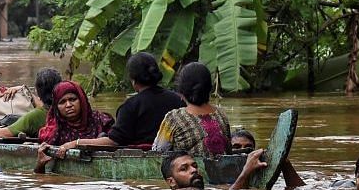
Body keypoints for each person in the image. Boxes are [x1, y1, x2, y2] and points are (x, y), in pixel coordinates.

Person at [52, 52, 184, 158]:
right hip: (176, 156)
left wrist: (76, 143)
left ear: (132, 80)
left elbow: (112, 142)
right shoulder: (177, 99)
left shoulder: (130, 106)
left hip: (141, 157)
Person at [152, 62, 231, 157]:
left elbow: (157, 152)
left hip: (189, 170)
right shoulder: (221, 114)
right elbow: (228, 150)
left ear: (181, 92)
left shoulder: (173, 118)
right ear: (209, 88)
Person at [162, 149, 306, 190]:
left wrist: (283, 162)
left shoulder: (212, 189)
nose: (193, 170)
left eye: (194, 165)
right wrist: (246, 171)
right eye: (184, 169)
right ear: (172, 182)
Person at [0, 68, 62, 139]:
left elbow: (3, 133)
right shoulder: (65, 109)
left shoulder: (34, 116)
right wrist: (25, 90)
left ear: (37, 91)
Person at [38, 81, 114, 146]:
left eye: (72, 99)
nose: (68, 105)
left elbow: (117, 140)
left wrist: (76, 143)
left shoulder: (101, 120)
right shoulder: (55, 131)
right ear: (56, 107)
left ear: (82, 100)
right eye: (62, 102)